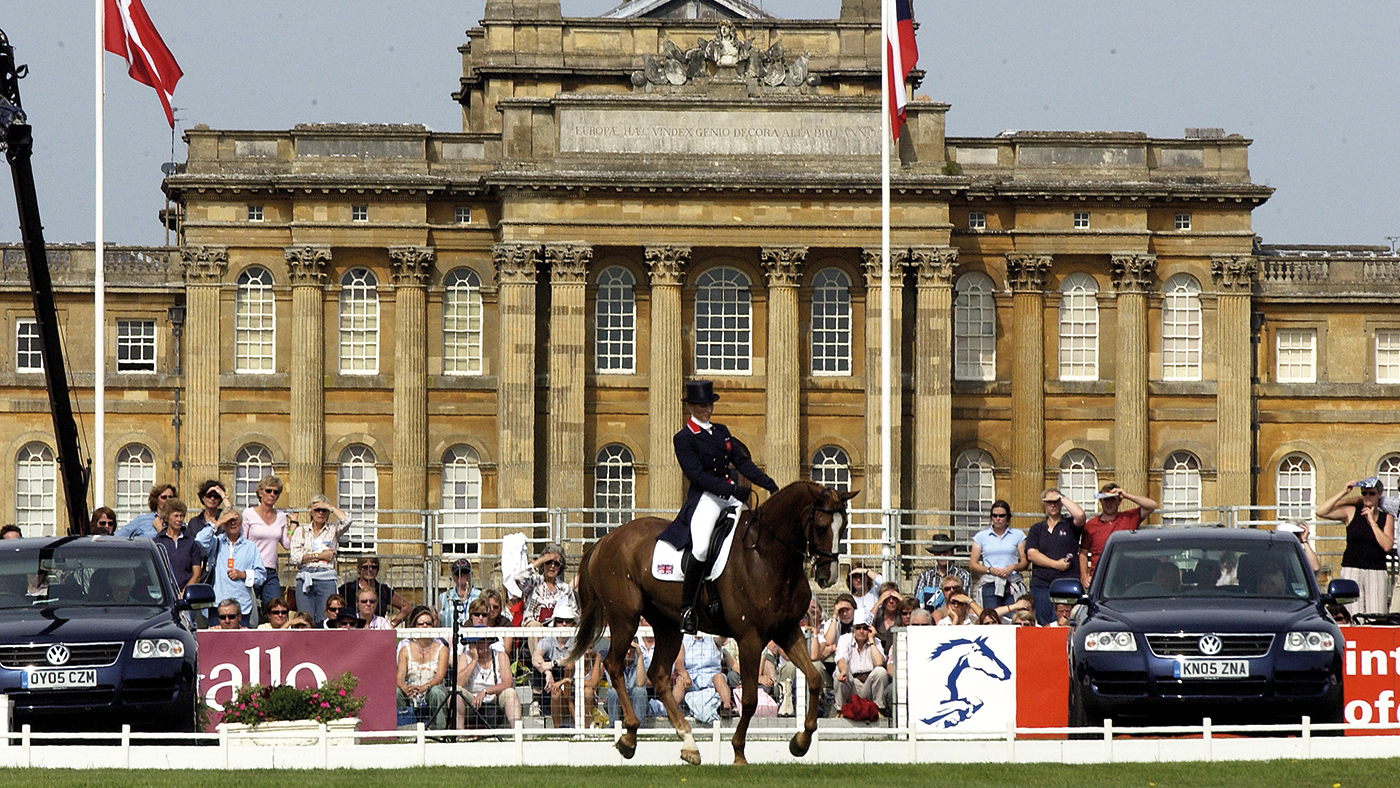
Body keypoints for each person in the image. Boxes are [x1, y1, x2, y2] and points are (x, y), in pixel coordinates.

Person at [662, 379, 779, 634]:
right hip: (706, 498)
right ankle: (688, 609)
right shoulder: (683, 438)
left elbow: (741, 462)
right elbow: (697, 475)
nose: (707, 410)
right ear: (691, 407)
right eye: (701, 405)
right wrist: (731, 489)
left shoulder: (721, 431)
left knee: (752, 537)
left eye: (709, 405)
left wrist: (767, 482)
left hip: (730, 497)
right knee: (702, 547)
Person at [1317, 477, 1396, 615]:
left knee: (1376, 615)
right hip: (1351, 568)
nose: (1367, 497)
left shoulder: (1386, 517)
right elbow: (1321, 511)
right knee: (1351, 613)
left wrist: (1372, 522)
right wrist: (1345, 493)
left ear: (1379, 495)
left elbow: (1387, 546)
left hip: (1375, 570)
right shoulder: (1352, 512)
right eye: (1364, 493)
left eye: (1371, 493)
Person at [1025, 488, 1087, 624]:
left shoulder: (1070, 525)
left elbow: (1080, 516)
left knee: (1066, 624)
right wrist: (1056, 564)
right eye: (1049, 502)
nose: (1052, 505)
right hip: (1041, 585)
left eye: (1055, 502)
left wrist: (1062, 497)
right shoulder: (1037, 528)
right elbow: (1032, 554)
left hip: (1067, 586)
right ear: (1044, 504)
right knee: (1043, 625)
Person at [289, 494, 352, 626]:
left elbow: (348, 520)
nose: (321, 513)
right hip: (306, 577)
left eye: (324, 510)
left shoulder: (333, 529)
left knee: (326, 618)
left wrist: (329, 506)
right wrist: (320, 556)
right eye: (318, 509)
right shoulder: (301, 530)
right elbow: (296, 557)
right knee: (305, 620)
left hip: (326, 577)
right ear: (311, 512)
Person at [196, 509, 264, 628]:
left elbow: (261, 576)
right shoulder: (216, 542)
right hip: (218, 605)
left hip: (242, 607)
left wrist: (243, 575)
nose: (233, 524)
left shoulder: (251, 547)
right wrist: (219, 522)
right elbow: (200, 539)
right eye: (229, 521)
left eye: (236, 520)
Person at [1079, 483, 1158, 585]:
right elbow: (1083, 553)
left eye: (1112, 500)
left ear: (1119, 501)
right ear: (1101, 502)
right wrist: (1084, 576)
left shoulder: (1128, 518)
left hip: (1124, 578)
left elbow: (1152, 506)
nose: (1109, 503)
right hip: (1099, 578)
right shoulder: (1091, 525)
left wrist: (1126, 495)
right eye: (1106, 500)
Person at [457, 616, 522, 729]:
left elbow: (507, 683)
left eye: (482, 641)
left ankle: (516, 733)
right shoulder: (465, 657)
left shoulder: (500, 656)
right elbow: (458, 683)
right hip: (471, 701)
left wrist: (485, 692)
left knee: (511, 693)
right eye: (475, 642)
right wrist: (474, 660)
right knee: (456, 694)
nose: (479, 644)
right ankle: (460, 735)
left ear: (489, 641)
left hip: (494, 700)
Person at [242, 475, 293, 616]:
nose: (272, 494)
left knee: (275, 610)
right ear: (260, 493)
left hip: (270, 571)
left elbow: (287, 544)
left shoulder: (281, 516)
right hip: (251, 568)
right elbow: (243, 541)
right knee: (250, 611)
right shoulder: (248, 514)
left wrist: (293, 525)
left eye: (276, 492)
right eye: (268, 490)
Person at [969, 499, 1029, 613]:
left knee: (1013, 620)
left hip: (1011, 582)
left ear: (1008, 517)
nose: (998, 518)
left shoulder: (1018, 535)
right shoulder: (981, 536)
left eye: (1001, 515)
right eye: (995, 515)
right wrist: (989, 570)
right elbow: (972, 564)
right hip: (990, 583)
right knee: (991, 619)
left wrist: (1012, 567)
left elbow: (1024, 562)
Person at [397, 605, 449, 729]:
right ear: (414, 626)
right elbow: (399, 677)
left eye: (428, 623)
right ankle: (402, 730)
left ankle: (440, 731)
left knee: (437, 692)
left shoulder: (442, 648)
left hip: (431, 688)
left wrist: (423, 688)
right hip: (411, 690)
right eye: (421, 624)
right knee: (396, 692)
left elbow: (440, 677)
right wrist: (406, 688)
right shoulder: (405, 649)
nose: (425, 626)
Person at [834, 608, 889, 717]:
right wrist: (843, 672)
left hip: (868, 685)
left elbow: (879, 662)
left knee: (880, 672)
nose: (861, 631)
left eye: (865, 628)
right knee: (838, 674)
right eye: (858, 627)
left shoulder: (875, 641)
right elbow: (841, 658)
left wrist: (871, 640)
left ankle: (878, 709)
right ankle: (840, 710)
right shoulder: (845, 639)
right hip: (852, 684)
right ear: (854, 628)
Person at [508, 543, 577, 628]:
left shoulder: (565, 589)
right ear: (543, 564)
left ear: (560, 567)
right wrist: (540, 560)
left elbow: (574, 612)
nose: (552, 566)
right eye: (548, 562)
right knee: (535, 626)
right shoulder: (534, 582)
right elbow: (518, 578)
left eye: (556, 564)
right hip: (534, 628)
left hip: (556, 629)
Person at [674, 631, 737, 723]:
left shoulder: (712, 637)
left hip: (711, 677)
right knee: (680, 680)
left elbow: (723, 639)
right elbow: (678, 661)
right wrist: (684, 674)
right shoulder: (684, 640)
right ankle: (671, 709)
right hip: (692, 679)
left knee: (719, 677)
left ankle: (727, 707)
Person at [152, 497, 205, 594]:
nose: (179, 519)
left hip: (186, 596)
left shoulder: (191, 542)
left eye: (181, 516)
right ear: (167, 517)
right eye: (175, 516)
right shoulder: (158, 542)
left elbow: (197, 574)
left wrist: (184, 592)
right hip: (164, 594)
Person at [338, 557, 408, 625]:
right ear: (359, 569)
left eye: (374, 567)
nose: (370, 570)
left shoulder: (383, 590)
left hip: (378, 630)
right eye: (366, 567)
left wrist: (393, 623)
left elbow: (406, 606)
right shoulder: (348, 589)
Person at [912, 534, 971, 612]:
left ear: (952, 552)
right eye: (938, 553)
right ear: (934, 554)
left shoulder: (963, 575)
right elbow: (917, 602)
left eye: (945, 552)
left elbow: (965, 602)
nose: (942, 555)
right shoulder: (925, 576)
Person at [438, 558, 480, 630]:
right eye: (458, 573)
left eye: (465, 572)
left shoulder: (479, 595)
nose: (461, 575)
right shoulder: (443, 597)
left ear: (470, 574)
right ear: (453, 576)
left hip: (472, 637)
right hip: (448, 637)